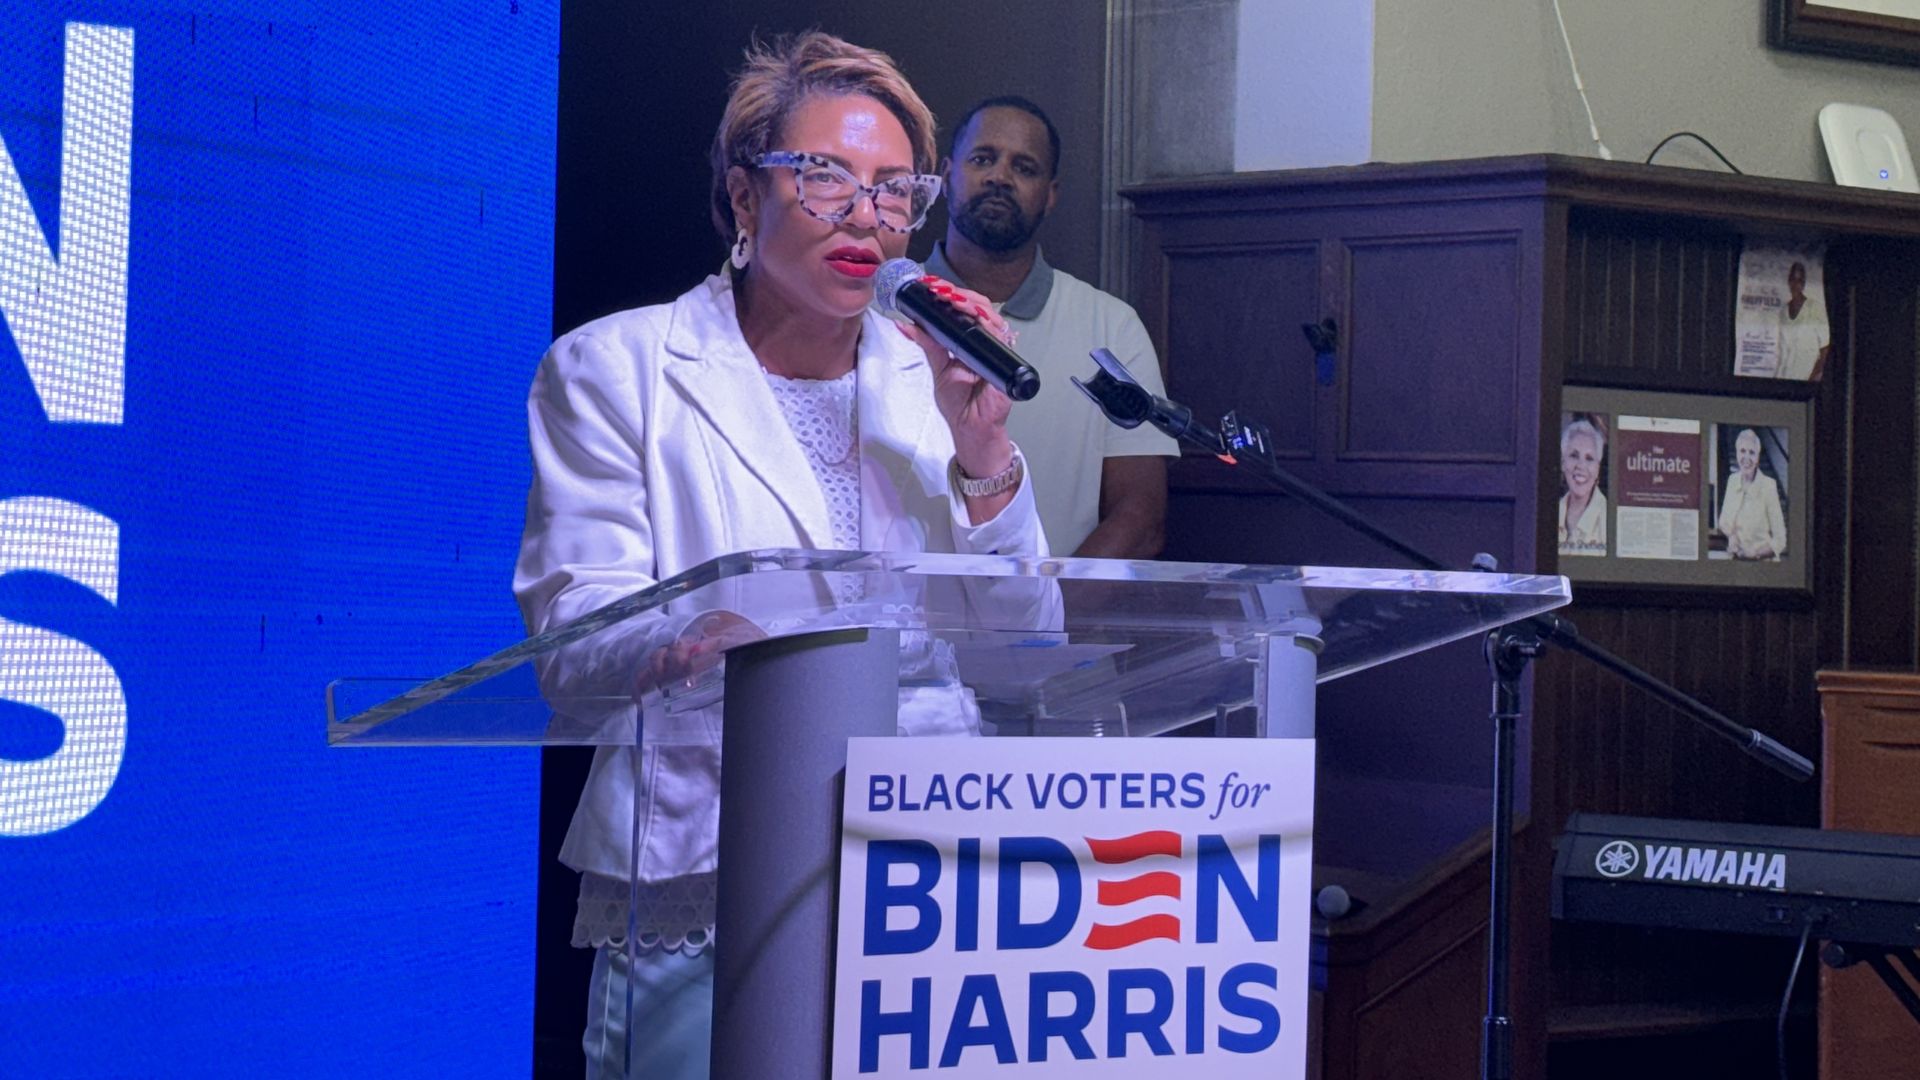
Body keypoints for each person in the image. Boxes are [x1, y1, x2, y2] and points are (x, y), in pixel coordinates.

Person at [511, 33, 1057, 1078]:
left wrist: (984, 447)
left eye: (897, 189)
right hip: (708, 874)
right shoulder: (615, 371)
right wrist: (684, 636)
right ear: (745, 198)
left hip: (924, 881)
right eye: (826, 178)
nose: (868, 214)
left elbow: (1025, 648)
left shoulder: (930, 376)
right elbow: (573, 644)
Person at [926, 95, 1179, 558]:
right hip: (899, 622)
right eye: (983, 159)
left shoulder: (1110, 326)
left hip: (1056, 624)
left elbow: (1140, 516)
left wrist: (1044, 616)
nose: (1000, 177)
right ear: (945, 176)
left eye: (1024, 168)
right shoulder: (882, 316)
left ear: (1051, 195)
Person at [1717, 428, 1786, 560]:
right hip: (1736, 561)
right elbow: (1723, 521)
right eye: (1742, 451)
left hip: (1762, 566)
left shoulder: (1768, 486)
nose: (1746, 458)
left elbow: (1780, 540)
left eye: (1752, 452)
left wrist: (1756, 553)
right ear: (1737, 453)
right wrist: (1731, 536)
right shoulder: (1732, 480)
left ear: (1758, 457)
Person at [1557, 417, 1606, 556]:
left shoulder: (1607, 519)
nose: (1581, 466)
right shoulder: (1551, 513)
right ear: (1562, 463)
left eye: (1589, 458)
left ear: (1597, 469)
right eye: (1574, 455)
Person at [1777, 260, 1830, 381]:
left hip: (1804, 383)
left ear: (1804, 284)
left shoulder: (1815, 308)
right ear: (1788, 282)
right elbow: (1782, 352)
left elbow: (1825, 351)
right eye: (1793, 280)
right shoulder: (1783, 312)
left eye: (1799, 281)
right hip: (1783, 379)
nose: (1795, 285)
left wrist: (1810, 381)